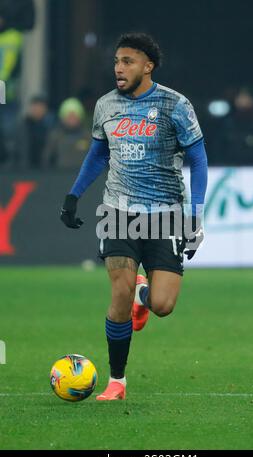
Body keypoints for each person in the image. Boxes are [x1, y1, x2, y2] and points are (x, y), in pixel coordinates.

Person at [60, 33, 208, 400]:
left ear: (148, 66)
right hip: (118, 211)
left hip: (166, 215)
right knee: (119, 292)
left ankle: (146, 294)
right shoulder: (106, 106)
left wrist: (195, 217)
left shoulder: (175, 105)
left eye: (127, 61)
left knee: (162, 306)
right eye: (116, 61)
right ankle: (117, 382)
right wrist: (73, 196)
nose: (118, 68)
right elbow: (97, 155)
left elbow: (199, 159)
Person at [44, 97, 90, 170]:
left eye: (74, 116)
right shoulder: (55, 136)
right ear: (62, 117)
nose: (72, 119)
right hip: (59, 177)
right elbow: (47, 159)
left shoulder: (88, 137)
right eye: (69, 116)